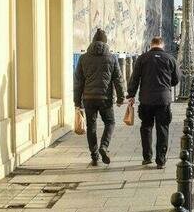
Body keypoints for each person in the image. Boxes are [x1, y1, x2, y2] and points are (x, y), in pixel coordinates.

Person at [127, 36, 179, 168]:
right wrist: (166, 83)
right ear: (163, 45)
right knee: (162, 129)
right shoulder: (170, 59)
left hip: (146, 100)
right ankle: (160, 160)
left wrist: (131, 95)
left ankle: (147, 157)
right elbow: (176, 80)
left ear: (151, 45)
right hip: (163, 100)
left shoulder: (142, 58)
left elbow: (134, 78)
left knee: (146, 127)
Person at [74, 29, 124, 166]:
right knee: (110, 122)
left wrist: (77, 102)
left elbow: (78, 82)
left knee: (91, 126)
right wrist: (120, 98)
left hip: (88, 98)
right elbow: (118, 80)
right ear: (105, 42)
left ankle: (94, 155)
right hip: (105, 98)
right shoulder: (111, 58)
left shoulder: (83, 58)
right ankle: (104, 146)